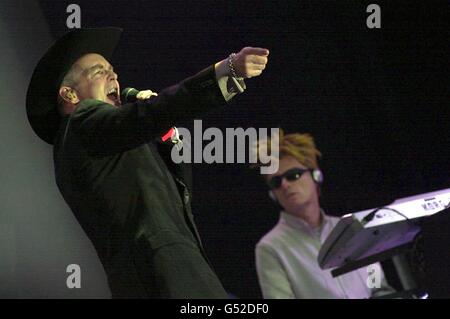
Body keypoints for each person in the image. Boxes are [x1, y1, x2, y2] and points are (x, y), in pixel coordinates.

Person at [26, 27, 269, 298]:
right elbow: (149, 115)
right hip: (162, 274)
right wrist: (227, 71)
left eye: (113, 70)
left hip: (178, 267)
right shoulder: (81, 124)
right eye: (98, 71)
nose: (114, 76)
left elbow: (176, 197)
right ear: (70, 95)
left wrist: (168, 137)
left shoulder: (110, 141)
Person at [252, 130, 394, 298]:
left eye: (293, 175)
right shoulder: (270, 248)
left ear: (316, 176)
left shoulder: (351, 228)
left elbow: (378, 286)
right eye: (276, 181)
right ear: (272, 194)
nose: (285, 185)